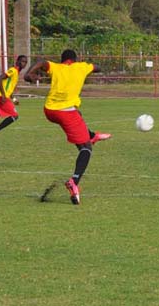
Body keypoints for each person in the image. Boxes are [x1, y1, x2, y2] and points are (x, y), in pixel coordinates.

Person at [24, 49, 111, 205]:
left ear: (62, 60)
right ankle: (74, 182)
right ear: (75, 59)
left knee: (77, 112)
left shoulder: (56, 67)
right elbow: (98, 67)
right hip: (65, 113)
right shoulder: (81, 67)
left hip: (49, 110)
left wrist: (29, 74)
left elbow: (41, 61)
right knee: (86, 148)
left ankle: (91, 134)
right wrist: (91, 68)